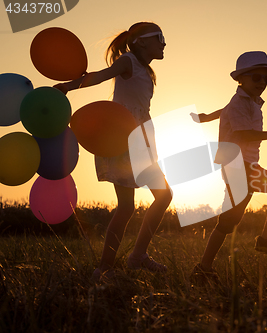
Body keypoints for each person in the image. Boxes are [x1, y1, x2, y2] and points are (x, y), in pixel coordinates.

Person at [54, 22, 172, 280]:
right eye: (159, 37)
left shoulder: (146, 71)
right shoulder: (128, 61)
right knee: (136, 204)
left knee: (156, 198)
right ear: (140, 41)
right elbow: (100, 76)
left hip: (139, 140)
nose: (164, 42)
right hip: (122, 139)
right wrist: (68, 86)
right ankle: (109, 266)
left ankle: (131, 258)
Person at [191, 51, 267, 281]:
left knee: (229, 220)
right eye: (257, 77)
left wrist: (209, 117)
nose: (262, 83)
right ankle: (266, 240)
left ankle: (203, 269)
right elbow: (243, 133)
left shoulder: (245, 102)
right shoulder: (241, 103)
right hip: (240, 167)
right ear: (241, 78)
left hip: (239, 166)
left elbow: (226, 111)